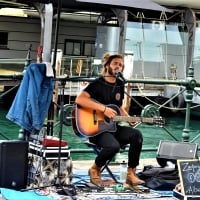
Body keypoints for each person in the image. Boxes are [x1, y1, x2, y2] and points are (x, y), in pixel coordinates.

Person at [75, 53, 144, 186]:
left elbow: (118, 106)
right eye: (115, 63)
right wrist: (104, 109)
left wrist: (127, 118)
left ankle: (131, 174)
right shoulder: (98, 83)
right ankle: (95, 169)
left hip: (112, 127)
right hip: (96, 130)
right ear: (107, 66)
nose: (118, 66)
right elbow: (80, 99)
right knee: (113, 146)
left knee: (137, 135)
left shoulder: (120, 84)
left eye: (121, 65)